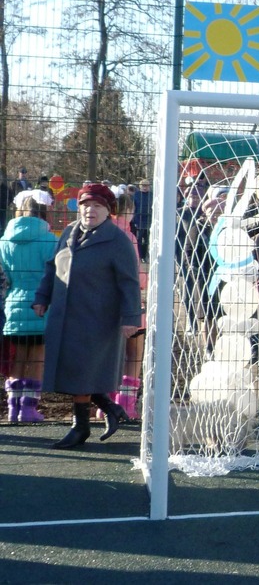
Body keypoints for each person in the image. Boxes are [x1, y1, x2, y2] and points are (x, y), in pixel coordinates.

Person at [33, 183, 142, 449]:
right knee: (73, 370)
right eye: (85, 205)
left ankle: (80, 427)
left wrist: (131, 318)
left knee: (81, 371)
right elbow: (52, 267)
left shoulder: (118, 241)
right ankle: (110, 409)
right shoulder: (69, 232)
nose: (90, 210)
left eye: (97, 206)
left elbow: (129, 282)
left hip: (97, 319)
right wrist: (42, 297)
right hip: (64, 316)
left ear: (108, 211)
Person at [0, 197, 58, 422]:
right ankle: (28, 407)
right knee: (36, 356)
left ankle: (12, 406)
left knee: (18, 356)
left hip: (13, 303)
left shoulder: (5, 241)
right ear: (44, 212)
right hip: (41, 304)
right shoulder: (49, 240)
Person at [107, 193, 148, 419]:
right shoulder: (127, 236)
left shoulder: (101, 233)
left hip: (104, 305)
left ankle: (104, 403)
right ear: (129, 210)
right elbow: (134, 273)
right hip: (129, 304)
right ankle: (126, 404)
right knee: (134, 355)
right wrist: (148, 278)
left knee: (111, 356)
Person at [132, 179, 153, 263]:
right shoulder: (136, 195)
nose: (145, 187)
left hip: (149, 220)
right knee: (139, 240)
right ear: (140, 186)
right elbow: (133, 208)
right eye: (143, 185)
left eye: (146, 185)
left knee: (147, 240)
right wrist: (134, 220)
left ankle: (145, 256)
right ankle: (139, 256)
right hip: (139, 220)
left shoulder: (152, 195)